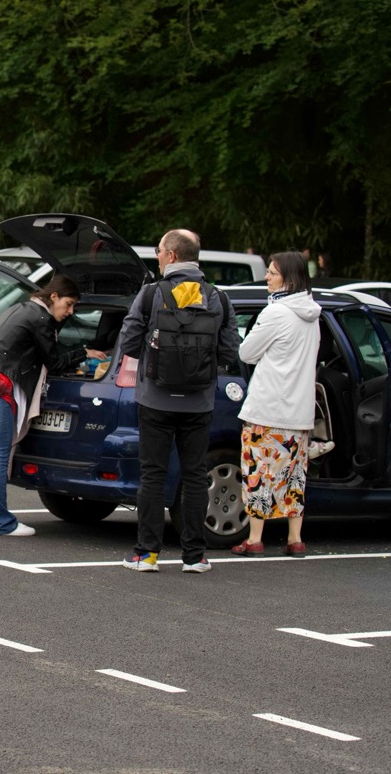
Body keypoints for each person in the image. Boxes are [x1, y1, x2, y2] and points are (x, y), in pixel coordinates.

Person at [119, 229, 241, 574]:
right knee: (195, 476)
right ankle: (194, 556)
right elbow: (230, 351)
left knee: (153, 475)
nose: (157, 257)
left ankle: (147, 554)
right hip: (198, 403)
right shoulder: (218, 298)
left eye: (159, 251)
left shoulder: (150, 294)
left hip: (155, 400)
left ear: (171, 255)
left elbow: (128, 344)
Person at [0, 275, 107, 537]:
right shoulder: (41, 319)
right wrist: (84, 353)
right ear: (53, 297)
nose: (70, 311)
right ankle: (1, 522)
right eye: (69, 304)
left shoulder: (18, 308)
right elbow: (54, 363)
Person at [232, 252, 320, 557]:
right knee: (294, 475)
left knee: (258, 471)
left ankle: (255, 539)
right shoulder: (312, 315)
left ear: (289, 279)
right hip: (300, 411)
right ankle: (295, 539)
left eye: (272, 272)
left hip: (267, 408)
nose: (267, 277)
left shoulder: (275, 312)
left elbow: (246, 353)